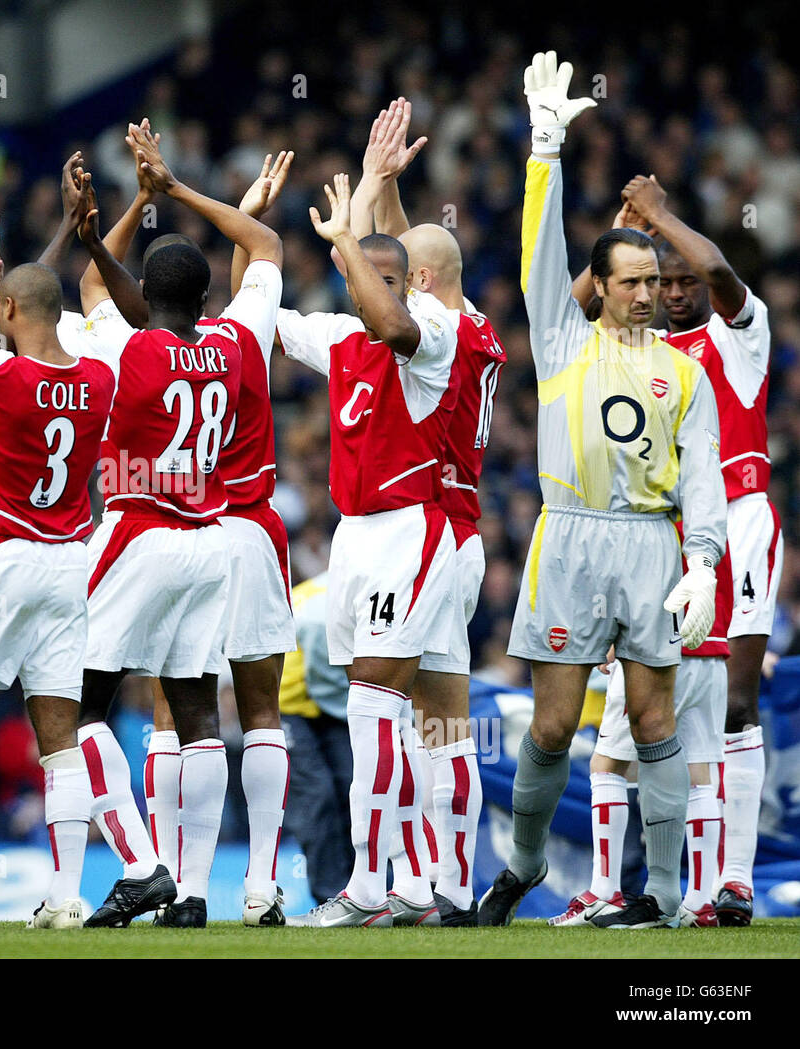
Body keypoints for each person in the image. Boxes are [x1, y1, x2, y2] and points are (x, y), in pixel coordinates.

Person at [479, 52, 727, 929]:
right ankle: (526, 863)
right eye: (634, 281)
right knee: (552, 726)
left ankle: (660, 891)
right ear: (603, 286)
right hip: (570, 538)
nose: (651, 294)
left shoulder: (683, 372)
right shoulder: (561, 338)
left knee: (655, 716)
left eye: (656, 283)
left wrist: (701, 563)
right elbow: (538, 250)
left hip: (651, 544)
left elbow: (703, 475)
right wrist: (544, 148)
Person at [67, 122, 284, 928]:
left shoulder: (126, 348)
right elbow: (262, 243)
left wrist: (123, 212)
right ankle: (192, 893)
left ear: (142, 297)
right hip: (209, 540)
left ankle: (142, 864)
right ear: (204, 299)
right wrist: (182, 189)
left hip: (137, 533)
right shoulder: (237, 339)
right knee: (197, 714)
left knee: (79, 699)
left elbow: (95, 288)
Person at [276, 175, 460, 928]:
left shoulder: (431, 334)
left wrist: (350, 240)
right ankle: (416, 880)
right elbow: (264, 317)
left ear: (410, 285)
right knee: (382, 715)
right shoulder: (342, 337)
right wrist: (252, 231)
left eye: (390, 281)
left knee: (375, 708)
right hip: (353, 540)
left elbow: (396, 323)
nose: (375, 295)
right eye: (364, 282)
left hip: (409, 530)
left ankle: (367, 883)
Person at [352, 98, 507, 926]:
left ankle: (404, 879)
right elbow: (422, 261)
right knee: (448, 715)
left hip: (425, 528)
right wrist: (390, 195)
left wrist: (365, 204)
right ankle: (451, 883)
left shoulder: (431, 327)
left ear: (416, 283)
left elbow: (401, 294)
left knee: (401, 708)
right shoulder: (472, 321)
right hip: (463, 532)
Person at [614, 174, 779, 927]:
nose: (678, 290)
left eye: (682, 280)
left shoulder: (740, 335)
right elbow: (581, 311)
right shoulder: (648, 354)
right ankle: (681, 883)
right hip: (671, 535)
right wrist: (627, 230)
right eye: (663, 280)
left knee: (736, 702)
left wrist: (660, 215)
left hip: (739, 522)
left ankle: (735, 879)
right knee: (668, 713)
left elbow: (719, 273)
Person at [0, 241, 116, 929]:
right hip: (72, 562)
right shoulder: (99, 380)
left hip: (4, 555)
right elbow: (38, 317)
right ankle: (67, 897)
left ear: (8, 309)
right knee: (60, 737)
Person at [552, 546, 732, 927]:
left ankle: (604, 890)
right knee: (699, 775)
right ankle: (700, 903)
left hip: (658, 651)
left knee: (607, 766)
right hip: (712, 649)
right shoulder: (710, 522)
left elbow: (638, 565)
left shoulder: (656, 512)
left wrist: (611, 631)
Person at [278, 573, 355, 906]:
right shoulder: (330, 601)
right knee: (317, 794)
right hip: (289, 700)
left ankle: (361, 892)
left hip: (328, 698)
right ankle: (330, 895)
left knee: (354, 788)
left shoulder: (333, 587)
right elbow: (311, 632)